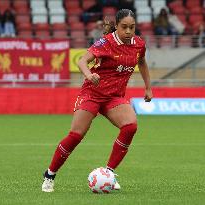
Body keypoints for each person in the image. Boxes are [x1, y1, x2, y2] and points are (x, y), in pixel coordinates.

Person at [42, 9, 153, 193]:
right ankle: (49, 175)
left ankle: (108, 173)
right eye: (124, 27)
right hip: (92, 93)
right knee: (76, 135)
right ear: (116, 26)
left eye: (131, 27)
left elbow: (141, 62)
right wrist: (89, 74)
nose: (128, 31)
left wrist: (148, 87)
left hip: (114, 97)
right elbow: (82, 61)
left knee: (130, 126)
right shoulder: (106, 42)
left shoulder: (139, 44)